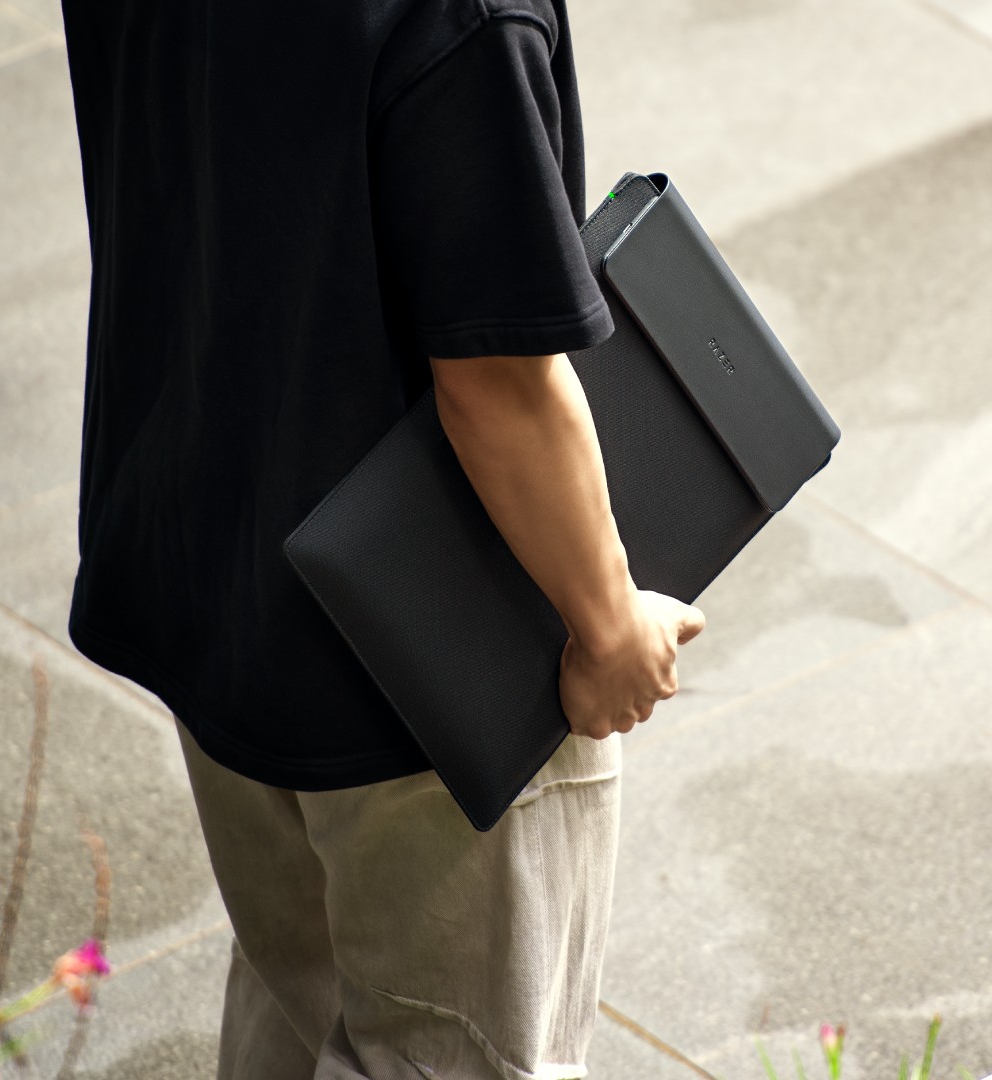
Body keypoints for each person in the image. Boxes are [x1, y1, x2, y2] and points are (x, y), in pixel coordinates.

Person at [57, 1, 706, 1076]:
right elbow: (499, 380)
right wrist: (607, 626)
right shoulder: (459, 17)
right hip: (421, 666)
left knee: (293, 996)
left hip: (213, 574)